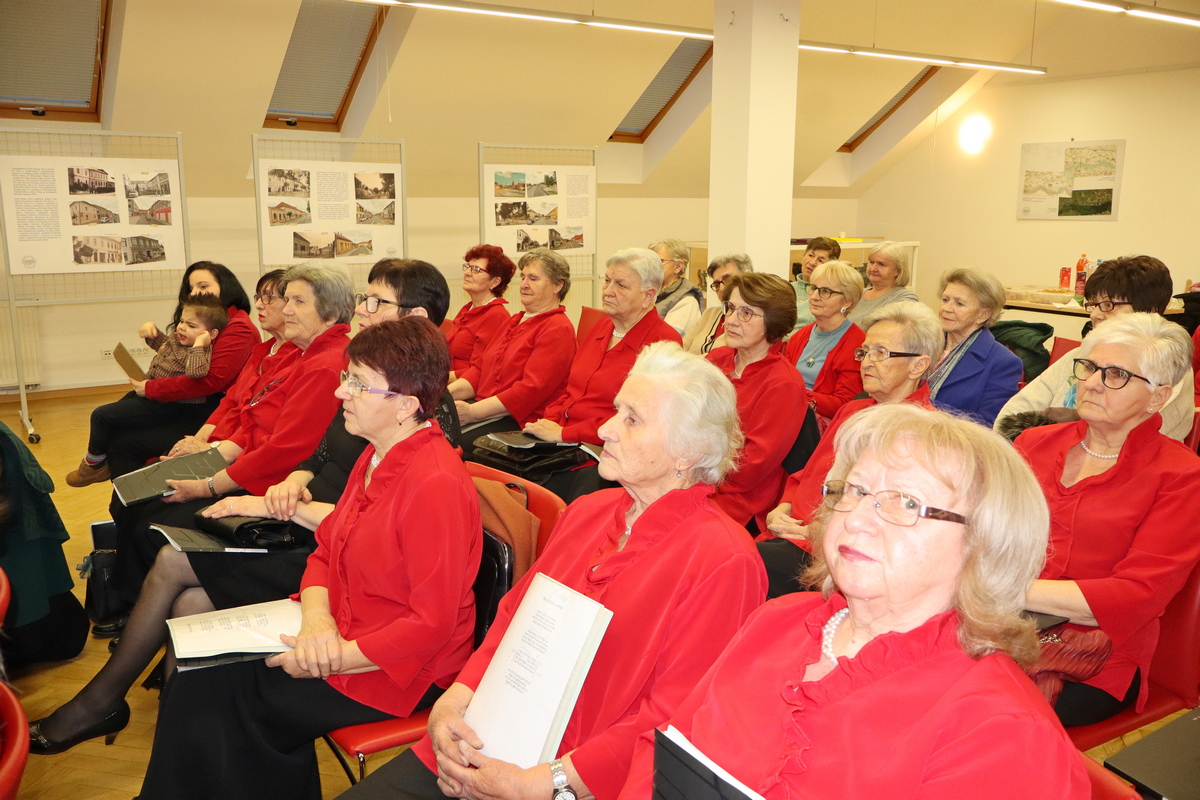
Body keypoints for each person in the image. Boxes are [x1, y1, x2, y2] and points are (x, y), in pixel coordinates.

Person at [338, 342, 767, 800]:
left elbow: (672, 718)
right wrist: (456, 699)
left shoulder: (724, 561)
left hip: (578, 780)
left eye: (632, 419)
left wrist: (542, 784)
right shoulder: (589, 512)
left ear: (687, 452)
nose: (605, 429)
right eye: (615, 411)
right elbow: (513, 621)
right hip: (490, 737)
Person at [618, 403, 1090, 800]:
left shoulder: (1001, 730)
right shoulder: (777, 620)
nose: (858, 518)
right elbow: (663, 752)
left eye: (906, 502)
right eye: (856, 490)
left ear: (983, 545)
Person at [114, 317, 482, 800]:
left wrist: (328, 657)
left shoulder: (434, 482)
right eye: (347, 377)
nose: (341, 392)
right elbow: (328, 549)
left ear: (406, 405)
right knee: (196, 673)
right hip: (343, 630)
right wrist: (316, 621)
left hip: (402, 668)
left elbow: (430, 625)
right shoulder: (378, 455)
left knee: (223, 693)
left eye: (358, 384)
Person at [109, 263, 354, 604]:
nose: (285, 309)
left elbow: (284, 450)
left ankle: (135, 603)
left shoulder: (324, 364)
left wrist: (208, 484)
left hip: (268, 486)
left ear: (330, 313)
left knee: (151, 524)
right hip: (249, 468)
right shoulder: (299, 353)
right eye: (285, 300)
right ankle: (132, 600)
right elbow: (244, 411)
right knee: (137, 500)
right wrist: (206, 449)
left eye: (297, 302)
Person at [1016, 313, 1200, 726]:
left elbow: (1135, 596)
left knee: (960, 707)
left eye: (1117, 374)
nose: (1093, 383)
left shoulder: (1181, 475)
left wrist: (1004, 589)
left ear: (1157, 397)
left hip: (1095, 656)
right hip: (998, 623)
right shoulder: (1034, 444)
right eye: (1089, 367)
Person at [762, 301, 941, 598]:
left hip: (839, 554)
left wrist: (818, 532)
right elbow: (808, 475)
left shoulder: (922, 433)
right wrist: (783, 509)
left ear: (918, 365)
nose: (867, 362)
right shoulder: (853, 410)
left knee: (735, 569)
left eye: (880, 353)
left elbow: (892, 520)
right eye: (865, 351)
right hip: (794, 535)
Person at [996, 255, 1194, 441]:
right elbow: (1016, 410)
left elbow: (1126, 440)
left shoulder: (1167, 370)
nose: (1095, 315)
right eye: (1094, 305)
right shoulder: (1079, 355)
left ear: (1148, 311)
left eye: (1108, 305)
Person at [94, 261, 259, 479]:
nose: (195, 292)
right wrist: (155, 338)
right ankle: (118, 486)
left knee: (115, 429)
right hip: (189, 403)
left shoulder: (238, 327)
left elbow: (210, 381)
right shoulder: (205, 318)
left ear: (226, 287)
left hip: (205, 410)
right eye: (191, 288)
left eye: (203, 286)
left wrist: (152, 388)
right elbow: (179, 354)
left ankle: (105, 474)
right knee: (119, 427)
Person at [66, 294, 229, 487]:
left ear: (211, 334)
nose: (182, 327)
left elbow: (196, 372)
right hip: (153, 394)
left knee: (101, 415)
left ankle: (92, 465)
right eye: (182, 321)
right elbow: (165, 347)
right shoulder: (178, 340)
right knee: (113, 419)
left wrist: (199, 344)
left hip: (169, 404)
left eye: (191, 326)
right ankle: (105, 464)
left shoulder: (200, 351)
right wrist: (152, 334)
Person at [524, 248, 680, 446]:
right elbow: (570, 392)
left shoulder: (663, 342)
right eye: (607, 281)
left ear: (648, 295)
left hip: (606, 446)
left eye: (621, 285)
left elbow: (638, 420)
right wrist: (550, 421)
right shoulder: (601, 327)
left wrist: (565, 434)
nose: (607, 291)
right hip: (563, 438)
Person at [706, 273, 807, 530]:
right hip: (697, 480)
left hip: (739, 502)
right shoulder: (716, 361)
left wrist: (693, 467)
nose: (731, 320)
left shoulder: (783, 383)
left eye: (746, 313)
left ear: (773, 321)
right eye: (730, 308)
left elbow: (749, 469)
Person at [450, 249, 576, 438]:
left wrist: (472, 412)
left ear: (558, 285)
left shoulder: (558, 328)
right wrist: (443, 396)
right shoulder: (514, 320)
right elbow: (480, 370)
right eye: (523, 277)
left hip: (520, 421)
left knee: (446, 439)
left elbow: (529, 391)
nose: (524, 285)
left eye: (533, 279)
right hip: (487, 409)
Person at [926, 267, 1023, 426]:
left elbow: (987, 425)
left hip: (950, 438)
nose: (946, 308)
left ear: (983, 315)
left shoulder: (1003, 363)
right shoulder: (924, 343)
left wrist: (921, 406)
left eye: (959, 304)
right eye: (945, 300)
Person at [784, 260, 866, 424]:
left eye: (825, 291)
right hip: (792, 410)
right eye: (813, 288)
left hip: (824, 423)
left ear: (847, 301)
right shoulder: (800, 336)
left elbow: (844, 404)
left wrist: (798, 394)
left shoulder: (857, 343)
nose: (814, 296)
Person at [446, 244, 516, 378]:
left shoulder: (496, 315)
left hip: (465, 387)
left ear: (495, 282)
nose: (467, 273)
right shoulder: (468, 308)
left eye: (476, 269)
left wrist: (439, 379)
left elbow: (481, 370)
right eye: (468, 267)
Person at [682, 253, 752, 355]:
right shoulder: (709, 314)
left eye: (728, 280)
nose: (722, 288)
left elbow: (727, 357)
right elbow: (681, 348)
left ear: (747, 279)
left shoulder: (750, 318)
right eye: (717, 284)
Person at [846, 241, 919, 326]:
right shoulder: (857, 294)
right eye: (871, 262)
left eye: (881, 264)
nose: (873, 269)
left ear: (897, 270)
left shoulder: (905, 298)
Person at [649, 238, 703, 335]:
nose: (652, 266)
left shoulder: (687, 301)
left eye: (659, 261)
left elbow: (668, 339)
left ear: (678, 266)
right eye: (650, 261)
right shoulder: (649, 292)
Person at [789, 236, 842, 334]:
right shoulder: (786, 288)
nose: (812, 262)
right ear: (803, 255)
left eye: (820, 260)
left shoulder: (827, 296)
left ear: (829, 266)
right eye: (810, 255)